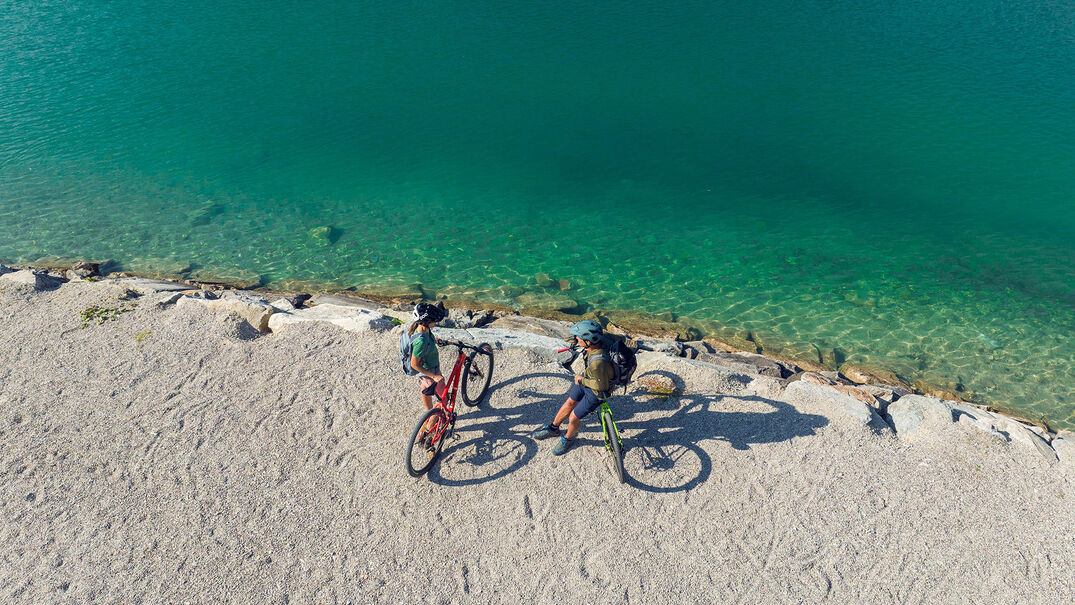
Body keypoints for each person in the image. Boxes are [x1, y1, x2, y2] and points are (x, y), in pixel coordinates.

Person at [531, 319, 613, 455]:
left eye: (578, 337)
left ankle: (568, 439)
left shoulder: (598, 361)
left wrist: (581, 381)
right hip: (588, 378)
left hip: (596, 390)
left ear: (588, 340)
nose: (576, 338)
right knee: (570, 402)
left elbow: (601, 385)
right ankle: (553, 428)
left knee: (574, 417)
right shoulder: (595, 345)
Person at [408, 302, 448, 411]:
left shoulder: (422, 329)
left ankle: (428, 412)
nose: (435, 322)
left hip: (425, 374)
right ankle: (431, 425)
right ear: (427, 322)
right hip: (430, 372)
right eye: (433, 320)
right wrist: (434, 377)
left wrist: (434, 340)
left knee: (425, 389)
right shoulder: (421, 342)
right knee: (444, 399)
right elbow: (414, 364)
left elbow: (427, 339)